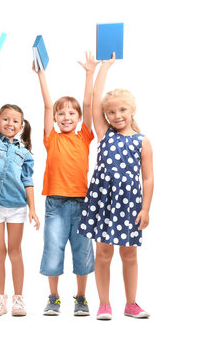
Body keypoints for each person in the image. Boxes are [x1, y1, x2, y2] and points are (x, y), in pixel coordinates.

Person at [78, 53, 154, 320]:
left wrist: (145, 209)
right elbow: (92, 103)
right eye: (111, 111)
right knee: (103, 252)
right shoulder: (104, 132)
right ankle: (104, 303)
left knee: (129, 254)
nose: (116, 115)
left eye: (122, 110)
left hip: (129, 203)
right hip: (103, 201)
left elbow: (148, 178)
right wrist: (103, 67)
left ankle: (131, 303)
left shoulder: (142, 141)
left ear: (132, 110)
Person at [34, 52, 98, 316]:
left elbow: (88, 102)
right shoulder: (52, 138)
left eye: (71, 113)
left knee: (82, 252)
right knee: (53, 250)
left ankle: (81, 298)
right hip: (56, 204)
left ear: (79, 117)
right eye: (61, 113)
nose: (66, 116)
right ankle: (53, 297)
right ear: (56, 119)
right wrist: (41, 74)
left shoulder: (84, 136)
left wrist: (89, 73)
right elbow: (47, 105)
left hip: (82, 202)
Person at [0, 66, 40, 317]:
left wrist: (33, 210)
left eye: (15, 121)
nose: (10, 123)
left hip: (16, 206)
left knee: (15, 251)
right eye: (5, 119)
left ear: (21, 126)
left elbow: (28, 182)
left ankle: (19, 299)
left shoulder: (24, 153)